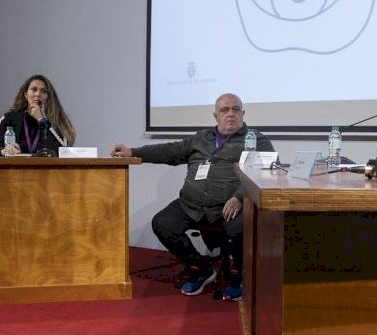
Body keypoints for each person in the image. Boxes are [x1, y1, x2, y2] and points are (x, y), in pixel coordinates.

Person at [110, 93, 274, 300]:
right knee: (163, 224)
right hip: (191, 205)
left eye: (236, 109)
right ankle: (200, 266)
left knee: (239, 227)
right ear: (216, 116)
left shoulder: (257, 140)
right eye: (225, 110)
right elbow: (169, 150)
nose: (231, 114)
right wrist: (133, 151)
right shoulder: (201, 138)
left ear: (243, 113)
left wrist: (240, 197)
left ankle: (235, 277)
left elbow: (266, 172)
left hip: (229, 207)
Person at [0, 75, 77, 156]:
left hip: (47, 168)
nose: (38, 94)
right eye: (34, 89)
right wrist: (3, 151)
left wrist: (42, 120)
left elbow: (63, 150)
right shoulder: (10, 118)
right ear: (26, 95)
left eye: (44, 91)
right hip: (17, 167)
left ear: (48, 97)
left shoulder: (57, 120)